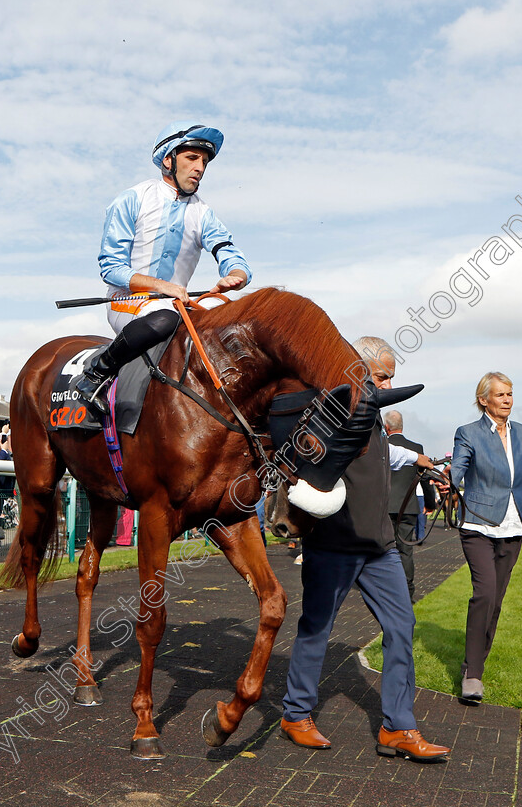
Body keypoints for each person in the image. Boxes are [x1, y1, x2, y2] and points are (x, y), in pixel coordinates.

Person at [280, 337, 451, 762]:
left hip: (381, 548)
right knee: (316, 630)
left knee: (401, 627)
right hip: (333, 545)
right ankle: (295, 714)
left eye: (392, 375)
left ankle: (399, 727)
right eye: (382, 375)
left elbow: (380, 454)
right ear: (357, 370)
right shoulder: (329, 411)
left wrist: (418, 461)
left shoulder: (372, 417)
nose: (390, 382)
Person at [74, 121, 252, 413]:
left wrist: (235, 275)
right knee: (164, 320)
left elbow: (227, 249)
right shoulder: (132, 199)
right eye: (192, 158)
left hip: (177, 306)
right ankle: (96, 374)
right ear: (168, 159)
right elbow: (111, 268)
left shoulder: (203, 212)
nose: (200, 168)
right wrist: (161, 286)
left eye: (204, 161)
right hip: (128, 303)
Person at [447, 371, 522, 704]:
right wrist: (450, 476)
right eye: (501, 395)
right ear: (484, 400)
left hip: (514, 525)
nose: (508, 400)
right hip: (478, 524)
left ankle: (475, 665)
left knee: (496, 602)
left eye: (510, 394)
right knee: (485, 594)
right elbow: (460, 466)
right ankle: (473, 675)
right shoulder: (468, 433)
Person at [385, 410, 436, 602]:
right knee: (405, 550)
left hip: (384, 506)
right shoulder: (416, 448)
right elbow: (425, 478)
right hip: (408, 507)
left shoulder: (382, 447)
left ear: (386, 427)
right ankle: (407, 592)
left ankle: (386, 591)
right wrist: (430, 503)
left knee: (384, 550)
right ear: (402, 426)